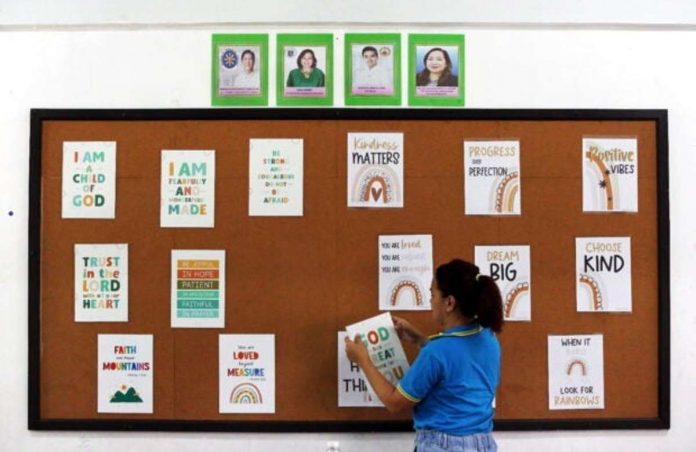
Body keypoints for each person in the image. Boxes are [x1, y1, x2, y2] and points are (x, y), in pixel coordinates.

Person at [345, 259, 503, 452]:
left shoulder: (436, 353)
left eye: (432, 293)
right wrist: (420, 339)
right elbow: (456, 363)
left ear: (449, 302)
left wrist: (363, 360)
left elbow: (394, 402)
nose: (430, 300)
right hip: (483, 444)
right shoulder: (488, 337)